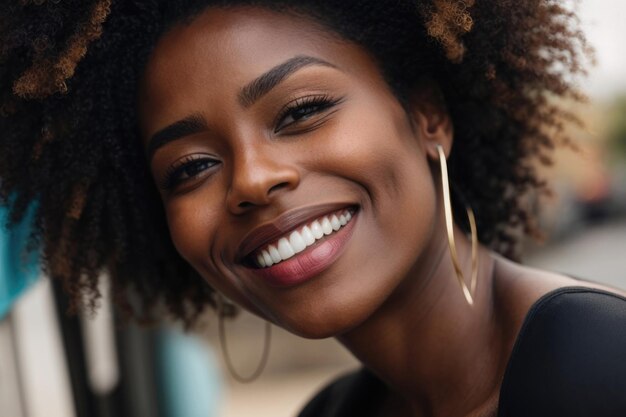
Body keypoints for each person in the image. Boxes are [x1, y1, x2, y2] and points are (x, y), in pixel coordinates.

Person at [1, 1, 625, 416]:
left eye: (301, 112)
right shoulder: (332, 413)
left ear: (427, 115)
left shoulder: (595, 368)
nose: (252, 179)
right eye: (191, 167)